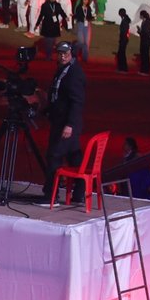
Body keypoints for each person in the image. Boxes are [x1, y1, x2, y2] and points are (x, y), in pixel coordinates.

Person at [41, 42, 86, 204]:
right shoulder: (63, 69)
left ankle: (50, 196)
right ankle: (79, 194)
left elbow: (77, 101)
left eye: (65, 53)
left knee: (54, 156)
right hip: (62, 121)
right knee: (74, 157)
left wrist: (70, 124)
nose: (62, 56)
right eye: (60, 53)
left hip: (66, 124)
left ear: (71, 53)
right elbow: (58, 94)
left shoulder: (73, 73)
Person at [116, 8, 132, 74]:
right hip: (124, 38)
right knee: (121, 53)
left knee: (121, 53)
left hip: (123, 39)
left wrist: (121, 35)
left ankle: (123, 68)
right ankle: (122, 68)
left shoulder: (125, 20)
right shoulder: (125, 19)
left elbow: (124, 31)